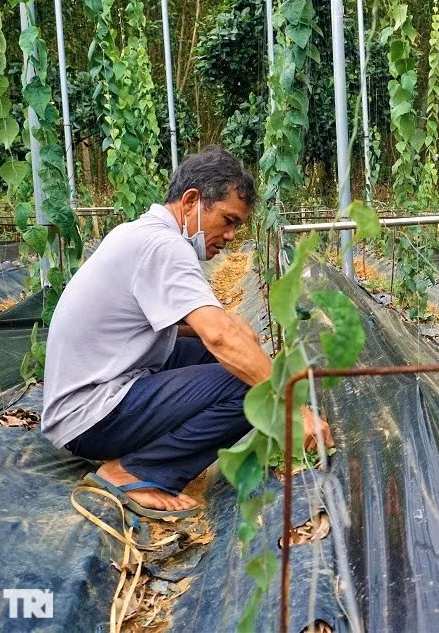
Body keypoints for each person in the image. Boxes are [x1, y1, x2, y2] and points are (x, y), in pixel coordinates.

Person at [41, 145, 333, 518]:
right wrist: (294, 408)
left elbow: (164, 324)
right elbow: (220, 338)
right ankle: (135, 472)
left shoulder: (141, 234)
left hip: (90, 396)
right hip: (90, 417)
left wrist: (230, 329)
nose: (231, 235)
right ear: (192, 200)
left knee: (235, 357)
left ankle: (146, 454)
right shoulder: (164, 246)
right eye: (227, 220)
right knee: (248, 384)